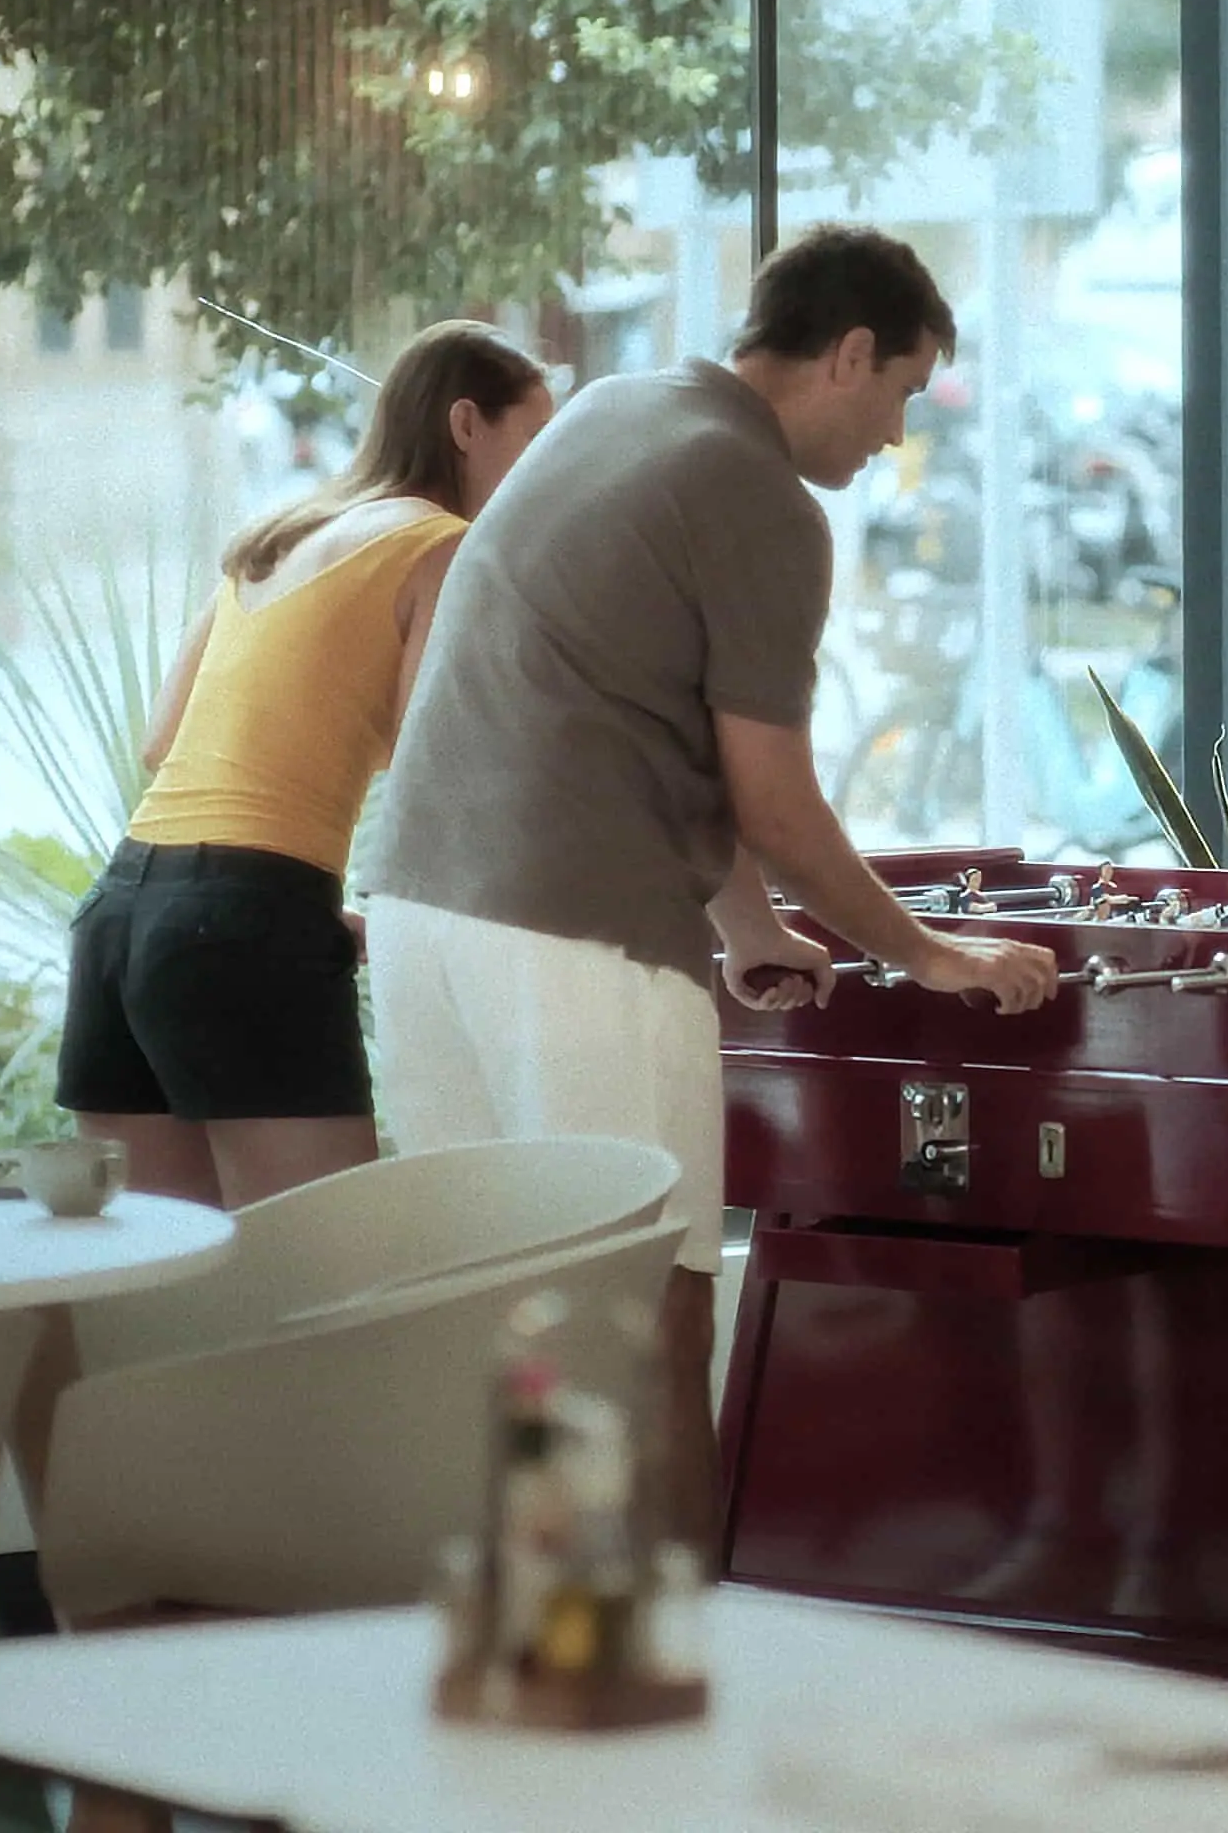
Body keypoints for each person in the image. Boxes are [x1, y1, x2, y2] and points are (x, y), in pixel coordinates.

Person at [359, 222, 1060, 1541]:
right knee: (655, 1322)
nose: (896, 436)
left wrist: (747, 929)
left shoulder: (618, 410)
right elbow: (778, 803)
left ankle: (508, 1675)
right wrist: (933, 957)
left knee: (488, 1315)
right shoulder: (763, 498)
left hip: (417, 912)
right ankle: (671, 1677)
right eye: (904, 392)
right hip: (577, 935)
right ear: (849, 354)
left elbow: (641, 715)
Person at [56, 319, 555, 1211]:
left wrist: (292, 907)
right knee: (332, 1275)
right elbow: (428, 759)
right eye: (535, 439)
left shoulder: (277, 537)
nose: (544, 471)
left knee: (165, 1285)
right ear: (468, 424)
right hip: (243, 927)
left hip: (124, 917)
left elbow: (161, 741)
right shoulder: (443, 545)